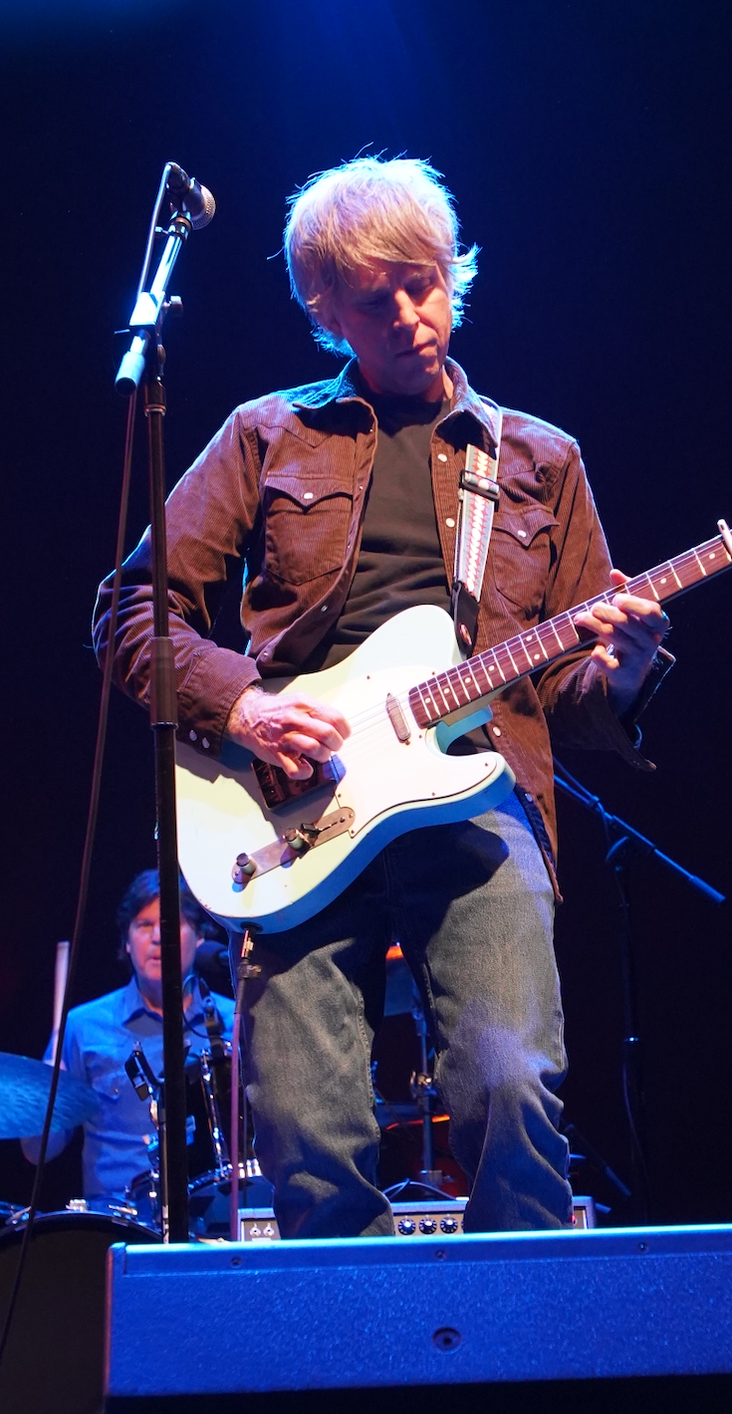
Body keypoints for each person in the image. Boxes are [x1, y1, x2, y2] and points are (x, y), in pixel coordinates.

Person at [94, 157, 670, 1238]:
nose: (412, 314)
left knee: (510, 1091)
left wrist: (626, 669)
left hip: (478, 801)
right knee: (307, 1138)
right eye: (376, 298)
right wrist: (245, 708)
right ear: (324, 309)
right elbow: (131, 608)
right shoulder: (267, 433)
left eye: (426, 282)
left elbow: (567, 694)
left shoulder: (541, 459)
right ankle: (351, 1395)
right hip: (291, 807)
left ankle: (529, 1376)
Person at [21, 871, 235, 1213]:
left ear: (199, 937)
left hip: (217, 1217)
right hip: (116, 1222)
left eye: (171, 923)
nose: (157, 937)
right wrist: (44, 1088)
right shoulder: (82, 1026)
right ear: (126, 941)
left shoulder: (234, 1022)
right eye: (144, 925)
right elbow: (38, 1151)